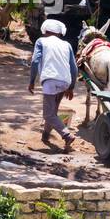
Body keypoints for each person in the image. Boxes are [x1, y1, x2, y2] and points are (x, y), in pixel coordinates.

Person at [29, 18, 77, 150]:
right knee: (53, 111)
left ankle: (67, 135)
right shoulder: (66, 45)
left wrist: (32, 81)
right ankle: (45, 135)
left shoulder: (41, 41)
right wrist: (71, 87)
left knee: (48, 114)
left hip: (50, 80)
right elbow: (74, 68)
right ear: (59, 33)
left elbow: (34, 62)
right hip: (65, 81)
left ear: (45, 31)